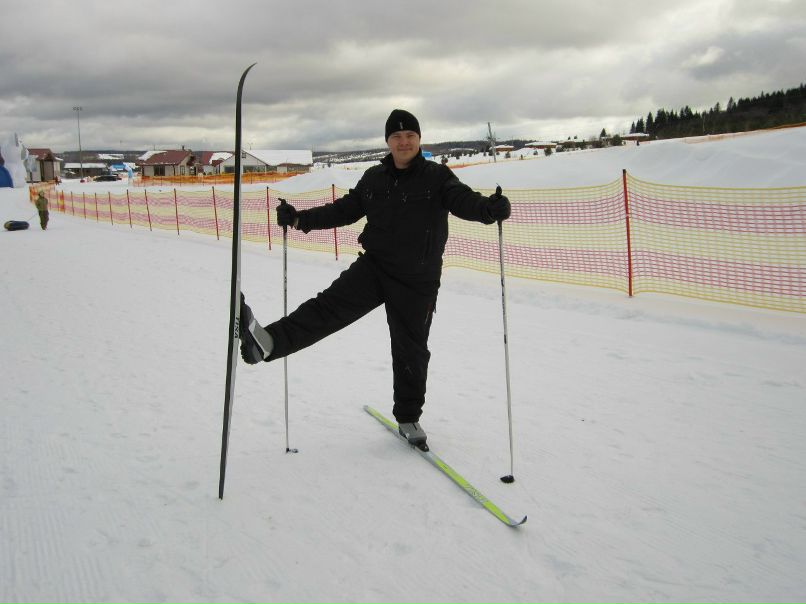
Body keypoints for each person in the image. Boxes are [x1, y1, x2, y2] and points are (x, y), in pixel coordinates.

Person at [239, 109, 511, 447]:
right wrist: (298, 219)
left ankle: (409, 418)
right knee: (326, 309)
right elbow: (344, 210)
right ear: (388, 142)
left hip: (417, 279)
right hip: (375, 268)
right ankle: (267, 343)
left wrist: (489, 210)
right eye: (396, 136)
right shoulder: (374, 177)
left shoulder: (437, 177)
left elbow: (463, 201)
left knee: (410, 350)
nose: (404, 141)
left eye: (410, 135)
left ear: (419, 139)